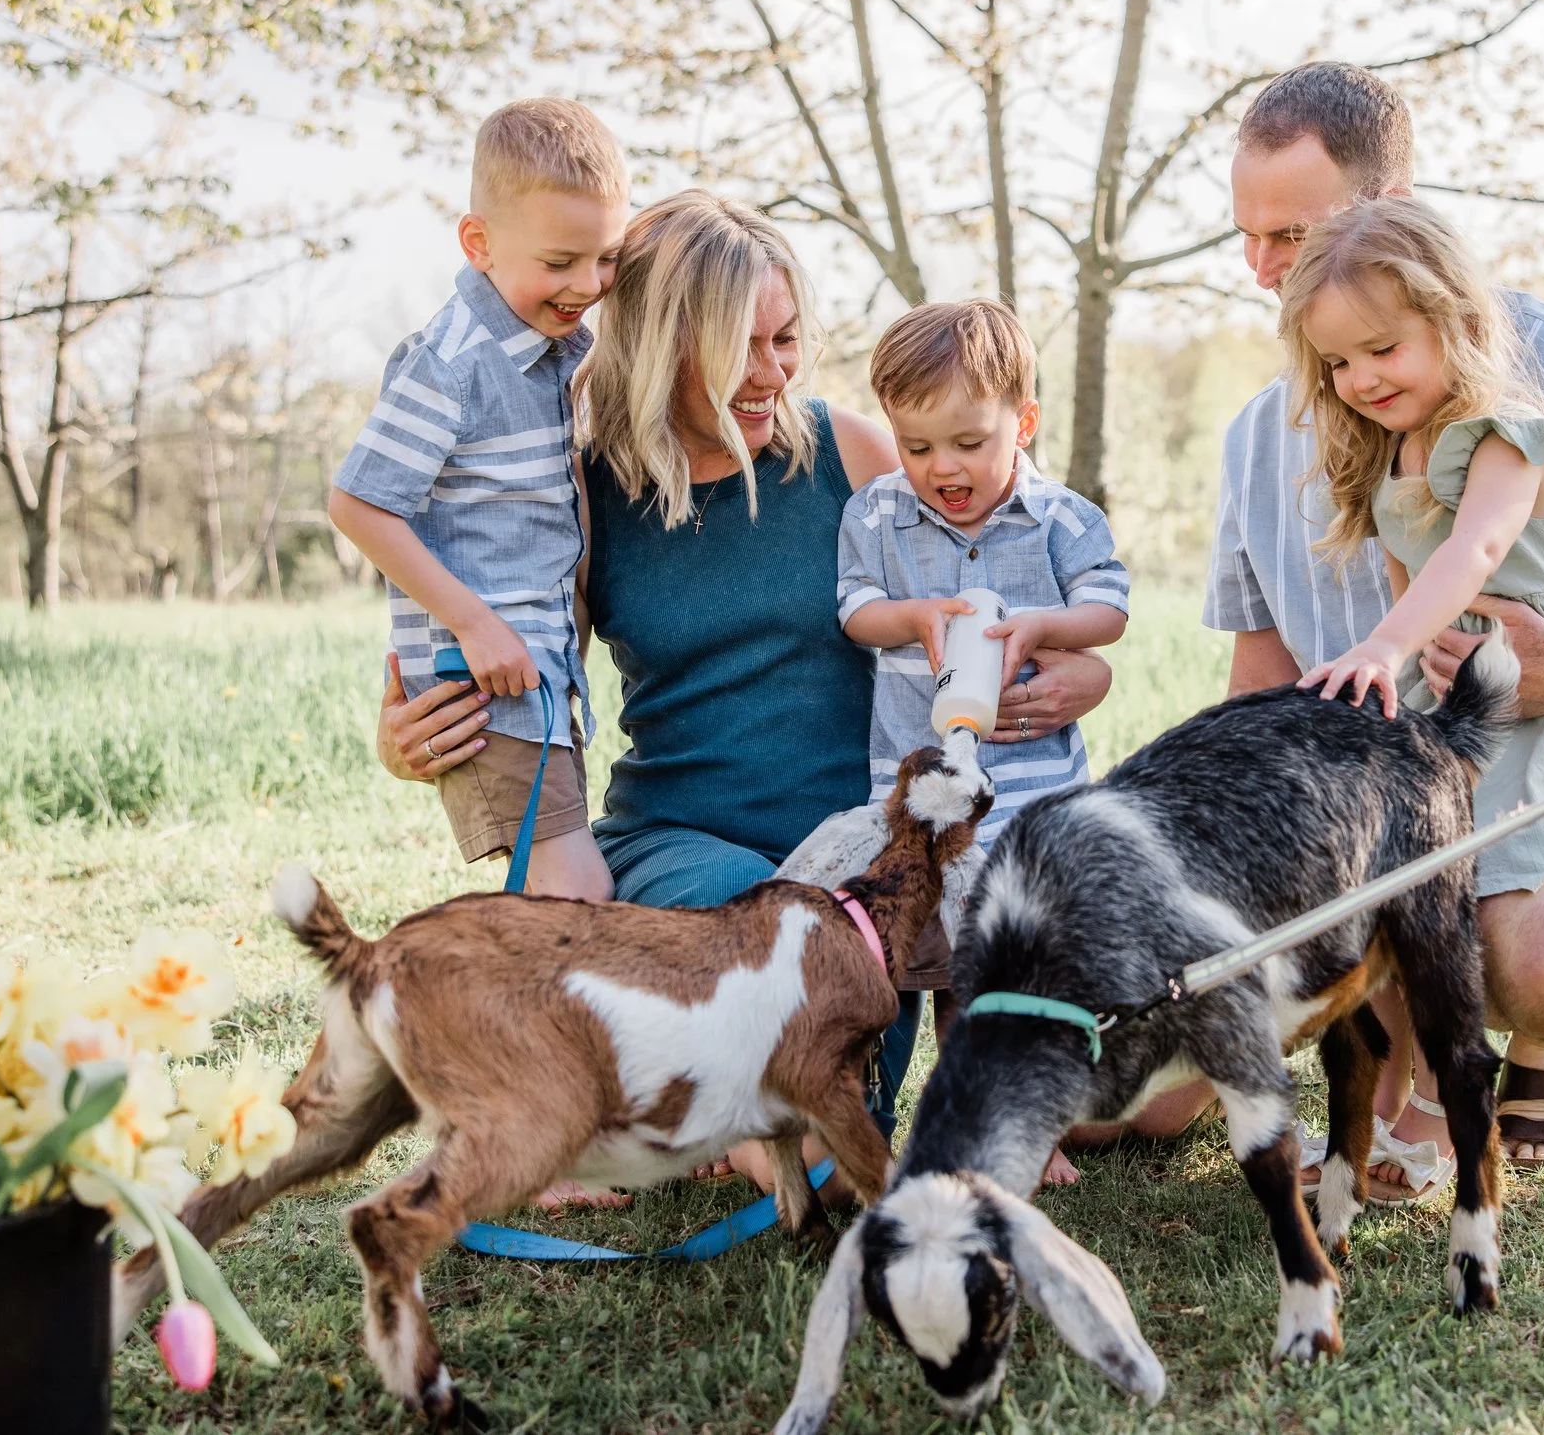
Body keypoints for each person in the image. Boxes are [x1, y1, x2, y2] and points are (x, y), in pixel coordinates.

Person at [368, 191, 1116, 1182]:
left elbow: (1004, 593)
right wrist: (401, 738)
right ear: (660, 346)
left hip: (856, 861)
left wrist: (1074, 674)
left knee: (839, 1010)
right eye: (740, 348)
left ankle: (751, 1129)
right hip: (682, 855)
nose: (772, 372)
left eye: (786, 339)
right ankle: (756, 1136)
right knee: (756, 957)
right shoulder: (584, 493)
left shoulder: (855, 455)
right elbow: (510, 674)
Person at [1197, 61, 1544, 1174]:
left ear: (1390, 217)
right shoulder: (1261, 432)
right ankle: (1385, 1093)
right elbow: (1258, 680)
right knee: (1192, 1007)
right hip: (1381, 794)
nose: (1266, 269)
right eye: (1248, 237)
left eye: (1293, 233)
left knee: (1527, 953)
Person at [1282, 196, 1544, 1196]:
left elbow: (1475, 554)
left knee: (1481, 896)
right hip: (1459, 708)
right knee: (1382, 876)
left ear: (1458, 318)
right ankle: (1404, 1093)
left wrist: (1381, 642)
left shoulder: (1508, 439)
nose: (1360, 379)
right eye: (1338, 364)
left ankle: (1456, 1096)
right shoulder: (1394, 449)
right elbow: (1414, 595)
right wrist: (1381, 691)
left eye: (1382, 347)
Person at [838, 299, 1129, 1188]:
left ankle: (1024, 1131)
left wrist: (1046, 625)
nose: (942, 468)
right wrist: (917, 615)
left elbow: (1109, 609)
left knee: (1010, 983)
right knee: (929, 970)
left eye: (968, 441)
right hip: (921, 808)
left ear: (1024, 422)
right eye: (918, 446)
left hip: (1029, 812)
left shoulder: (1060, 518)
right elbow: (853, 611)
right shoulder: (879, 515)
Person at [328, 98, 628, 905]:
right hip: (483, 677)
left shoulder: (558, 350)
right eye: (561, 261)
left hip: (533, 674)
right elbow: (358, 502)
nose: (587, 286)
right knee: (573, 893)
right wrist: (472, 620)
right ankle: (495, 1022)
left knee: (560, 890)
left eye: (605, 260)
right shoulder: (452, 363)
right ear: (479, 243)